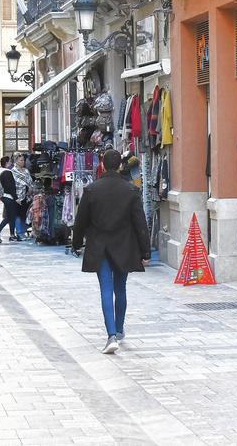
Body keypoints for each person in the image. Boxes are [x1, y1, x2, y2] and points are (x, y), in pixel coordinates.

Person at [72, 149, 151, 354]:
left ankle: (111, 335)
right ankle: (120, 328)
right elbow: (140, 222)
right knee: (120, 288)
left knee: (106, 289)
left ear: (103, 165)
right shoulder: (130, 191)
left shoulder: (91, 190)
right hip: (124, 245)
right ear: (119, 166)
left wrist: (76, 243)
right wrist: (145, 251)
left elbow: (81, 221)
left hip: (100, 246)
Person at [0, 156, 18, 243]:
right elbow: (10, 187)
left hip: (4, 196)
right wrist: (16, 197)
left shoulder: (1, 172)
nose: (11, 163)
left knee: (10, 216)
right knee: (10, 216)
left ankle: (11, 235)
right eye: (10, 162)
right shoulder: (7, 173)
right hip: (9, 197)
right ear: (6, 163)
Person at [12, 153, 34, 241]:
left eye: (23, 160)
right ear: (16, 161)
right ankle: (19, 233)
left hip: (26, 195)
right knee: (17, 214)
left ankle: (23, 231)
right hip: (17, 196)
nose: (23, 162)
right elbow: (15, 183)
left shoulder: (26, 171)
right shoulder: (13, 171)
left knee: (24, 214)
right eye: (21, 160)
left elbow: (30, 181)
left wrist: (30, 188)